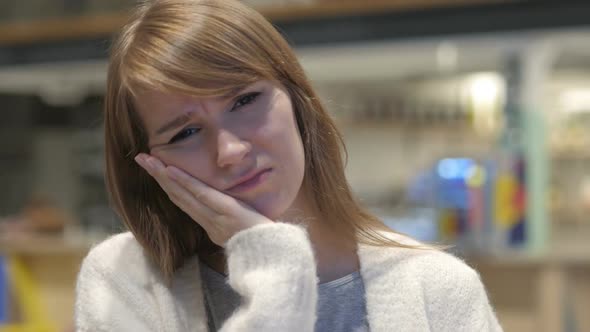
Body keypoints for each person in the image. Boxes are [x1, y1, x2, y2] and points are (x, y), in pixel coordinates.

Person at [74, 0, 503, 331]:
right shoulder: (124, 278)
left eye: (244, 101)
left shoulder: (436, 286)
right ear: (148, 163)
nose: (230, 151)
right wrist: (274, 266)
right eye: (183, 134)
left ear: (298, 100)